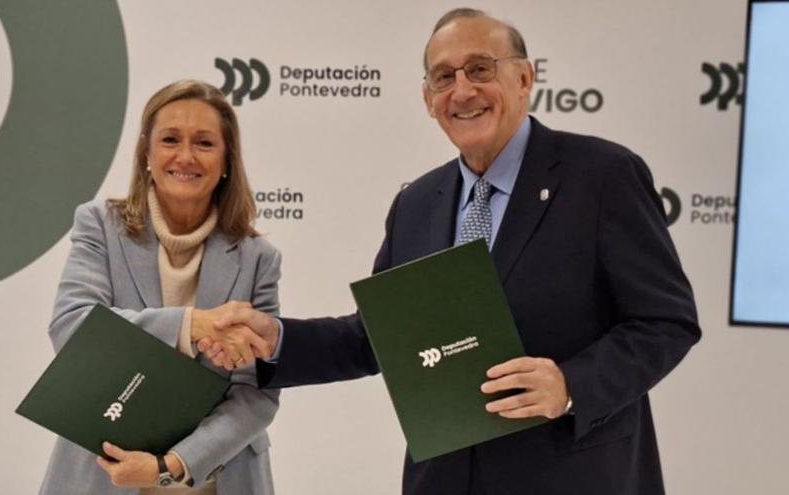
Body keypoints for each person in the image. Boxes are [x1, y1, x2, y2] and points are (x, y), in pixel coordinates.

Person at [202, 8, 701, 495]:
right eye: (443, 77)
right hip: (442, 478)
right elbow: (379, 337)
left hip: (575, 474)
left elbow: (666, 322)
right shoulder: (417, 203)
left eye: (481, 69)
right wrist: (279, 340)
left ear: (525, 78)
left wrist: (570, 385)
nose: (463, 91)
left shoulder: (603, 176)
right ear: (428, 98)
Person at [40, 80, 280, 495]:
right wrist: (192, 326)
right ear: (146, 152)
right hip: (102, 476)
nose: (185, 156)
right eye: (170, 139)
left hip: (216, 482)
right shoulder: (99, 225)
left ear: (226, 161)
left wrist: (170, 466)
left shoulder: (259, 257)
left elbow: (256, 395)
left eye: (204, 143)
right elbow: (74, 329)